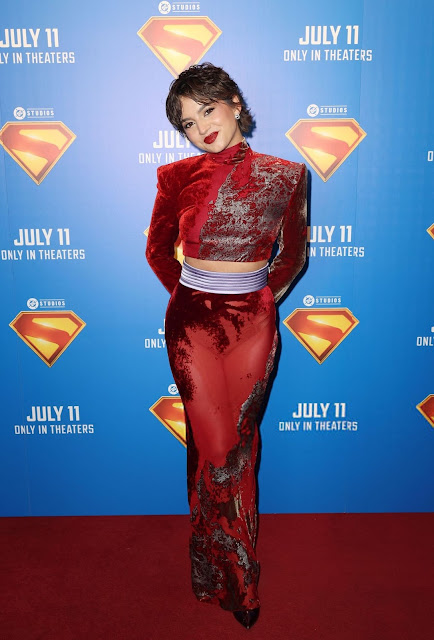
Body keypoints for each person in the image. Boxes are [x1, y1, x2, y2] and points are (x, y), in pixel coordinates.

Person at [146, 62, 307, 629]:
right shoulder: (175, 176)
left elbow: (293, 256)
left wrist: (255, 301)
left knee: (240, 446)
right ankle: (240, 582)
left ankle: (211, 567)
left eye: (207, 110)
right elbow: (157, 252)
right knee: (218, 448)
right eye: (188, 123)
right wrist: (197, 298)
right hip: (192, 324)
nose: (201, 128)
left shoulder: (288, 175)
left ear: (234, 102)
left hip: (253, 326)